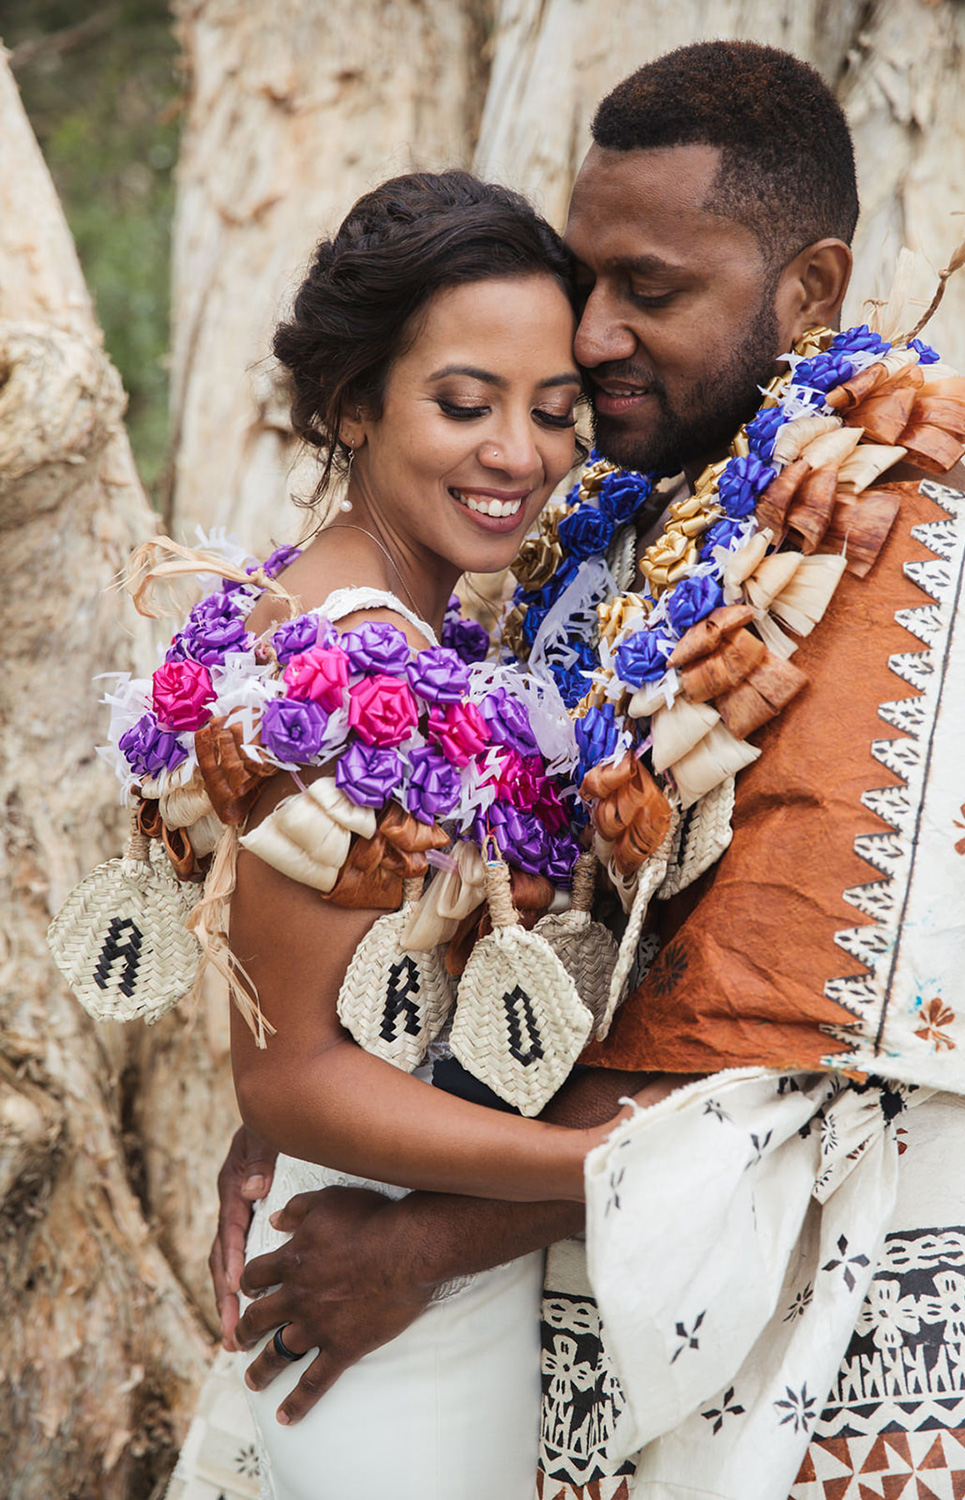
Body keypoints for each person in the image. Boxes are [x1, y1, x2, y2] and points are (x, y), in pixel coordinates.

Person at [211, 41, 965, 1500]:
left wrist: (423, 1234)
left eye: (652, 289)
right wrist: (304, 1119)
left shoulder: (885, 550)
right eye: (589, 280)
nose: (590, 334)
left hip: (833, 1356)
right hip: (592, 1309)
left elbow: (772, 1046)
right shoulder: (619, 528)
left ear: (811, 293)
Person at [148, 168, 670, 1500]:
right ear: (352, 403)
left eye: (556, 413)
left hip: (387, 1205)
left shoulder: (358, 603)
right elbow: (291, 1078)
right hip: (374, 1269)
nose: (519, 455)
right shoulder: (358, 665)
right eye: (464, 403)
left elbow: (300, 1015)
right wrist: (611, 1170)